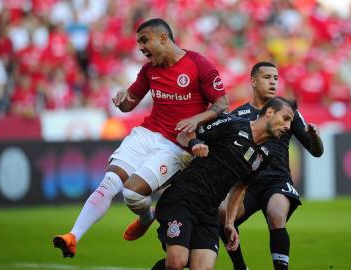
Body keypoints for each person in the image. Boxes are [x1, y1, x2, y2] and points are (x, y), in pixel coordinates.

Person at [53, 18, 229, 258]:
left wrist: (196, 119)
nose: (140, 47)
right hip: (146, 134)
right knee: (109, 182)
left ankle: (146, 216)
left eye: (144, 41)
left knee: (132, 194)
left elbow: (222, 104)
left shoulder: (199, 64)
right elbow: (129, 104)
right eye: (138, 43)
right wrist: (122, 97)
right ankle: (72, 236)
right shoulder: (149, 70)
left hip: (177, 145)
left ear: (163, 38)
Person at [153, 97, 296, 270]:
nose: (288, 127)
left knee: (202, 267)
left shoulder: (264, 156)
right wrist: (195, 143)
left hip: (209, 211)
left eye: (290, 122)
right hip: (184, 198)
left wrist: (229, 222)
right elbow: (185, 132)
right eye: (285, 119)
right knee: (177, 262)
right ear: (270, 112)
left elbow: (241, 187)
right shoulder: (232, 124)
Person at [219, 61, 324, 270]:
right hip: (246, 183)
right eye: (267, 77)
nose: (273, 82)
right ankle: (240, 267)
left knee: (276, 213)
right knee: (222, 214)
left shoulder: (287, 111)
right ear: (253, 81)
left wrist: (315, 137)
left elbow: (316, 151)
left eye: (276, 78)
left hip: (277, 180)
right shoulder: (237, 115)